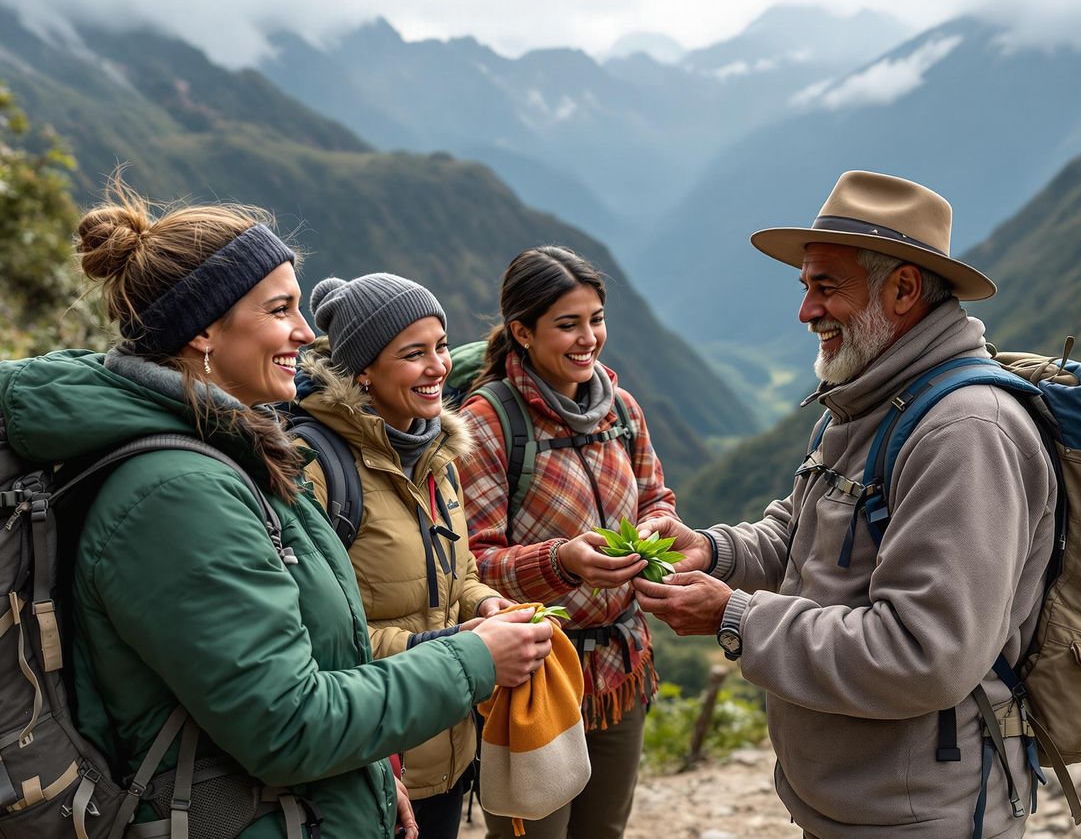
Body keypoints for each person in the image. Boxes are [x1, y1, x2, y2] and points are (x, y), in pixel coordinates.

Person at [0, 178, 553, 838]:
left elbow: (301, 670)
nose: (303, 331)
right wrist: (475, 659)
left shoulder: (228, 455)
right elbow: (288, 726)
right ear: (205, 329)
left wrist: (369, 777)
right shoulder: (177, 495)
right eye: (280, 309)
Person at [632, 171, 1056, 839]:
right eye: (805, 287)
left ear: (904, 289)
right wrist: (714, 551)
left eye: (826, 287)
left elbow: (925, 652)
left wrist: (735, 616)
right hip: (858, 803)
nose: (806, 312)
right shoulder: (868, 398)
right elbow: (804, 532)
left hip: (919, 816)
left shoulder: (965, 433)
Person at [456, 246, 680, 839]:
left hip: (619, 664)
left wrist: (655, 529)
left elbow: (657, 496)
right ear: (522, 332)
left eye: (597, 318)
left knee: (602, 831)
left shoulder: (621, 409)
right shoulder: (488, 423)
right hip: (533, 671)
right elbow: (469, 562)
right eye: (568, 324)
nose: (589, 338)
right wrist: (563, 561)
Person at [292, 272, 515, 839]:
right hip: (368, 755)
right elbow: (307, 637)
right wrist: (447, 648)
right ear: (364, 370)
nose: (439, 366)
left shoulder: (436, 454)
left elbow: (457, 573)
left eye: (441, 346)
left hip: (444, 741)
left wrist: (487, 606)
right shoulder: (312, 468)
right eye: (413, 353)